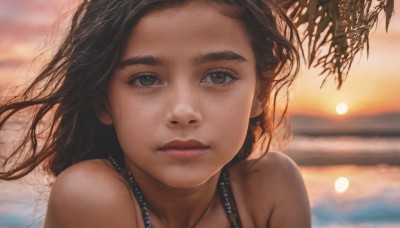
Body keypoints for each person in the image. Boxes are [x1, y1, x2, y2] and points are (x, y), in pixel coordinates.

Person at [0, 0, 311, 227]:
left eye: (219, 76)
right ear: (102, 101)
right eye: (146, 79)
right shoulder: (91, 196)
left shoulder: (271, 187)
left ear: (260, 93)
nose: (184, 112)